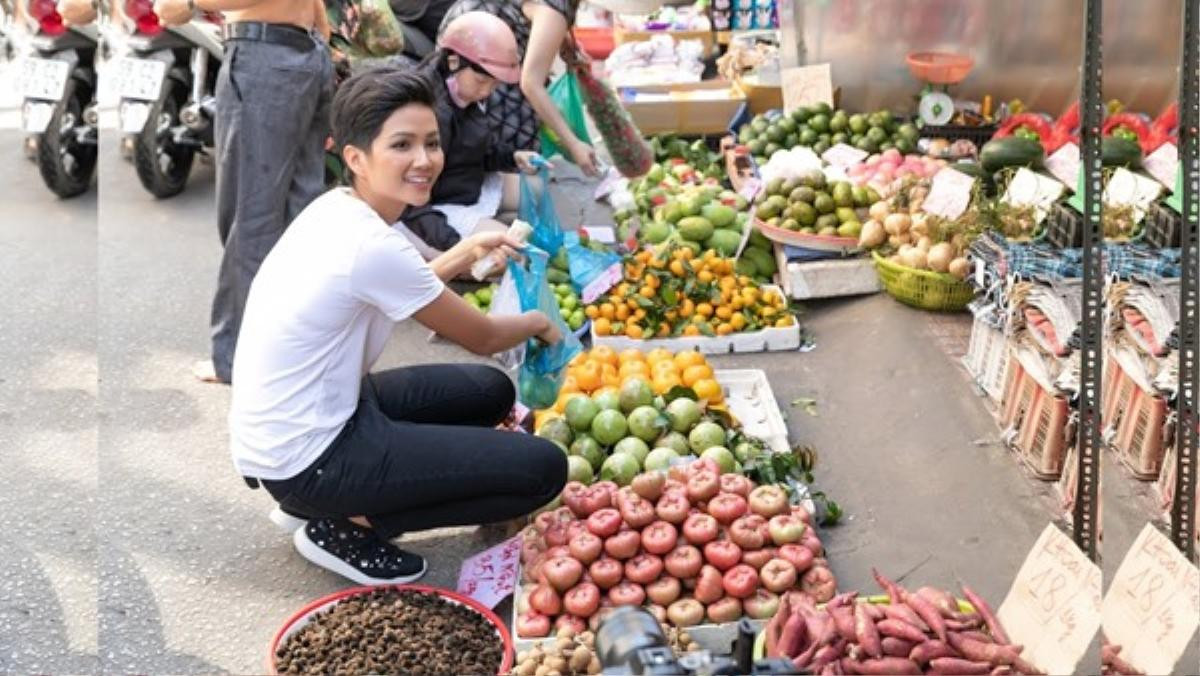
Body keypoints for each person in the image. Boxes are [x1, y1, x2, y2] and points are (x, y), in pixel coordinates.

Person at [228, 67, 568, 584]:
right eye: (402, 145)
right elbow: (483, 336)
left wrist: (465, 250)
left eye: (432, 143)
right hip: (310, 456)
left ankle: (344, 494)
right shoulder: (370, 244)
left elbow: (406, 285)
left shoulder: (338, 209)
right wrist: (541, 322)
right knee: (542, 469)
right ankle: (344, 522)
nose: (425, 161)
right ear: (356, 158)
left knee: (489, 391)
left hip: (315, 419)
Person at [154, 0, 334, 385]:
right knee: (298, 211)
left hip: (266, 57)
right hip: (306, 52)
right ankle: (298, 348)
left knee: (251, 216)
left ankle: (237, 359)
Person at [398, 11, 546, 258]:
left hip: (462, 184)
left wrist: (513, 157)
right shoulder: (429, 114)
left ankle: (489, 224)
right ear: (454, 61)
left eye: (495, 84)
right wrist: (457, 247)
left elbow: (478, 146)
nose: (487, 91)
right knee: (507, 255)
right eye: (481, 81)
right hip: (430, 208)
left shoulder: (462, 91)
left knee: (536, 190)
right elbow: (409, 201)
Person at [436, 0, 600, 177]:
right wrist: (573, 144)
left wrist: (559, 37)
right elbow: (531, 83)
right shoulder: (556, 7)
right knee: (514, 145)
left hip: (461, 33)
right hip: (478, 50)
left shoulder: (552, 9)